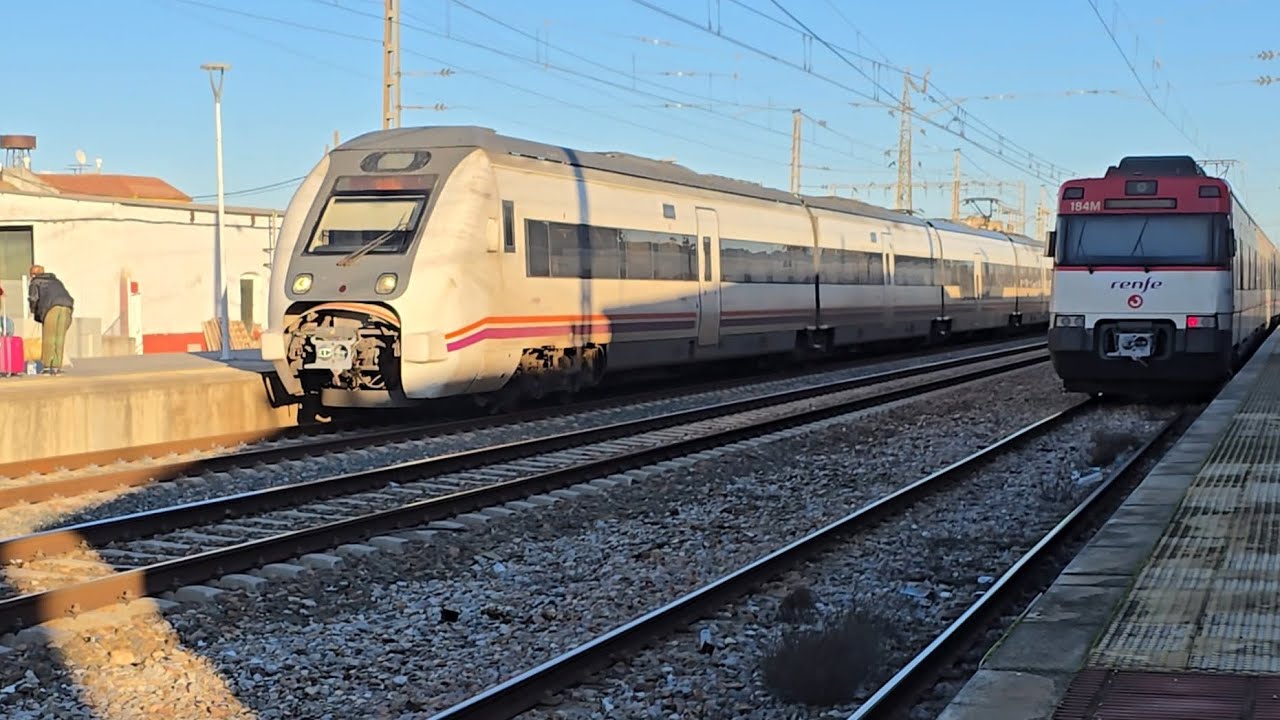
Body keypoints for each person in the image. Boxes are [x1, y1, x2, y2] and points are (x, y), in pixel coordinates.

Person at [27, 265, 74, 374]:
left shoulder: (35, 282)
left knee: (49, 338)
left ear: (33, 274)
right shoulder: (56, 281)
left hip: (52, 308)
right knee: (59, 338)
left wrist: (34, 311)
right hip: (67, 307)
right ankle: (57, 366)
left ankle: (48, 366)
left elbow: (34, 299)